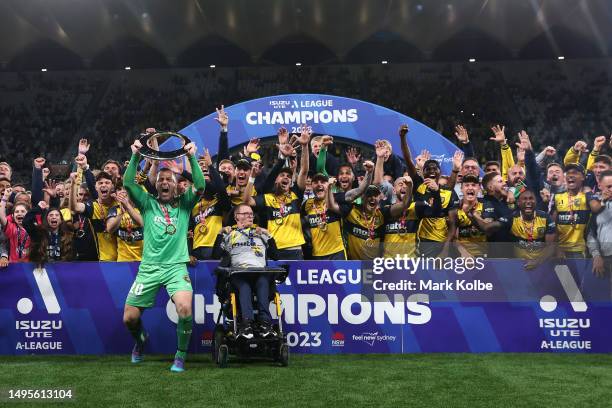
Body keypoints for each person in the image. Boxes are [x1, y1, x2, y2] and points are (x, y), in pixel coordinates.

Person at [122, 138, 205, 373]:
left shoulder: (185, 203)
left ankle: (180, 355)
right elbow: (128, 183)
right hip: (149, 268)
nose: (166, 182)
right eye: (162, 180)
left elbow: (200, 186)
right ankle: (140, 340)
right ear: (156, 185)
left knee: (185, 309)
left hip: (176, 267)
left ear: (177, 184)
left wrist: (191, 157)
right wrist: (136, 155)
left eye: (170, 179)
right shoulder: (147, 203)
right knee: (129, 318)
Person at [212, 203, 280, 339]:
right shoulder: (231, 235)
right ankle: (246, 324)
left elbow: (276, 256)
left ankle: (265, 324)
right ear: (237, 216)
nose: (250, 216)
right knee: (244, 286)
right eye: (246, 213)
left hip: (260, 272)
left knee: (263, 282)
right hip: (239, 273)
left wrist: (268, 234)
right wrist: (220, 233)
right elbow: (215, 255)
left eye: (251, 214)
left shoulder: (261, 234)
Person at [587, 170, 612, 276]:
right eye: (609, 186)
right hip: (604, 260)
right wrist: (596, 256)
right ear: (599, 185)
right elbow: (591, 235)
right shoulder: (594, 207)